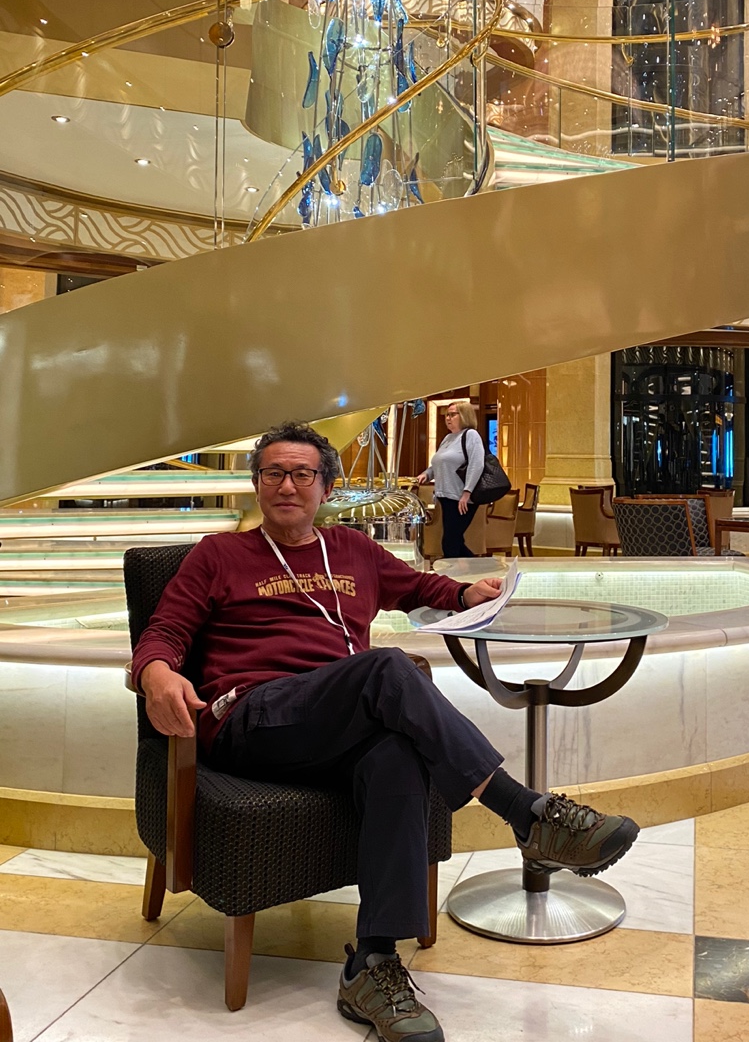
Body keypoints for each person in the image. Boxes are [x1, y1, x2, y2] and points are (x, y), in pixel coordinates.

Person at [132, 421, 639, 1042]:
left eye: (302, 474)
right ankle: (524, 813)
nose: (287, 486)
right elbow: (164, 632)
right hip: (253, 718)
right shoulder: (218, 555)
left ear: (326, 487)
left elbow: (421, 588)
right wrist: (156, 672)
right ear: (257, 485)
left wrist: (466, 593)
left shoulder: (352, 550)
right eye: (273, 473)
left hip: (334, 726)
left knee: (397, 753)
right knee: (387, 668)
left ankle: (372, 964)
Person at [415, 400, 486, 558]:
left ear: (465, 415)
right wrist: (427, 474)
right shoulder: (448, 438)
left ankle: (454, 573)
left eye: (453, 414)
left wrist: (467, 492)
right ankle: (479, 568)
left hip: (461, 499)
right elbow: (438, 464)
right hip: (445, 497)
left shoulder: (471, 435)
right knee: (454, 541)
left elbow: (477, 464)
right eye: (446, 415)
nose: (448, 418)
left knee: (450, 543)